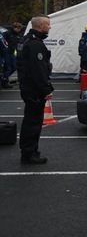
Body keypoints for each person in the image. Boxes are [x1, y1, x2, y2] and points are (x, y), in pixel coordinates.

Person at [17, 15, 54, 164]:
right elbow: (38, 70)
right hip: (33, 89)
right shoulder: (34, 44)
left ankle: (31, 151)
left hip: (28, 86)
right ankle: (28, 154)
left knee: (31, 121)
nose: (49, 27)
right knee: (33, 123)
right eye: (48, 24)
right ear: (40, 26)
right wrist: (46, 89)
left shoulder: (27, 40)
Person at [2, 22, 23, 88]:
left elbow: (18, 44)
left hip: (12, 53)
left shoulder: (19, 35)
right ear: (14, 27)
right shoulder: (7, 33)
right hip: (6, 53)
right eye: (17, 28)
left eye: (19, 28)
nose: (18, 30)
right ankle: (4, 81)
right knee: (7, 68)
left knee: (14, 67)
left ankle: (4, 77)